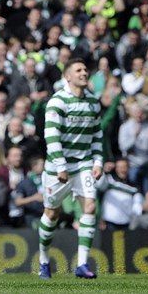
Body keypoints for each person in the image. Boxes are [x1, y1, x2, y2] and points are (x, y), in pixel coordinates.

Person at [37, 58, 103, 280]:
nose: (84, 73)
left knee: (90, 206)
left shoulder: (93, 103)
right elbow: (51, 136)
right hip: (58, 167)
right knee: (51, 213)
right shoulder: (58, 102)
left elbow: (97, 137)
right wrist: (61, 165)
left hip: (83, 164)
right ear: (68, 76)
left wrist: (98, 162)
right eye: (79, 70)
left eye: (85, 69)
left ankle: (82, 264)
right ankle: (44, 260)